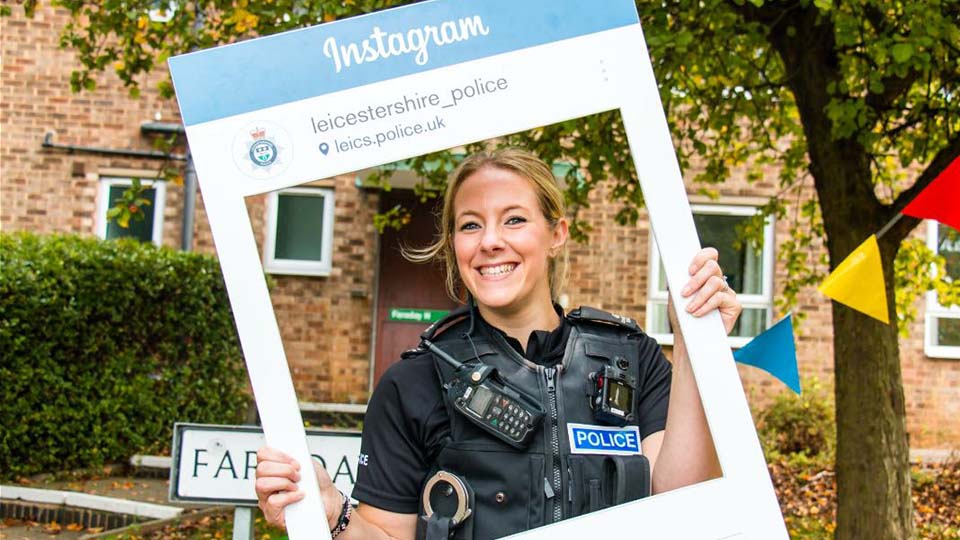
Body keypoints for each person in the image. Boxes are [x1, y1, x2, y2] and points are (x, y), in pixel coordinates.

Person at [255, 148, 742, 539]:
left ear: (557, 234)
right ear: (453, 244)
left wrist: (698, 349)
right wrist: (333, 512)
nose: (489, 241)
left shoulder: (632, 357)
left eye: (513, 220)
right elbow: (385, 534)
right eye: (470, 224)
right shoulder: (413, 383)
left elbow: (682, 502)